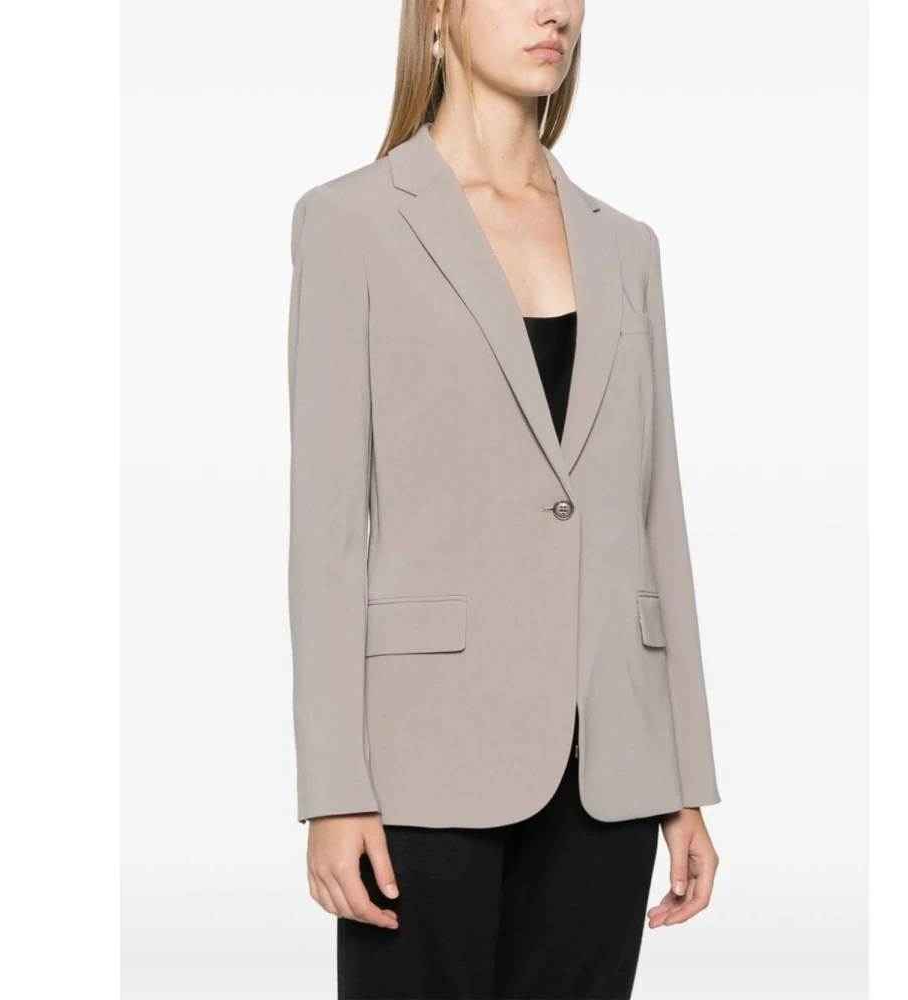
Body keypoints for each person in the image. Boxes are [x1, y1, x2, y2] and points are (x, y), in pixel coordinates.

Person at [286, 2, 721, 997]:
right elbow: (326, 532)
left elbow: (657, 517)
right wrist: (333, 787)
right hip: (421, 762)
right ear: (439, 11)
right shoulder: (352, 222)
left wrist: (682, 778)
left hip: (607, 765)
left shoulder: (628, 246)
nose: (554, 10)